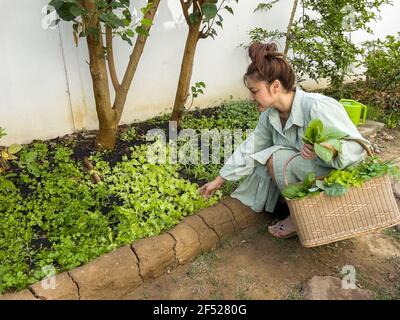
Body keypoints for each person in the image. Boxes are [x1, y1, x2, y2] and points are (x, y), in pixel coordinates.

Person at [199, 42, 370, 239]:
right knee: (264, 159)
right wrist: (220, 180)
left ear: (275, 86)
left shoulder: (317, 107)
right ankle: (299, 210)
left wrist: (327, 148)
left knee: (275, 157)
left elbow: (359, 148)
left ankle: (303, 217)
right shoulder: (270, 116)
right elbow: (252, 147)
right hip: (308, 172)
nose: (251, 98)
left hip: (337, 176)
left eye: (254, 91)